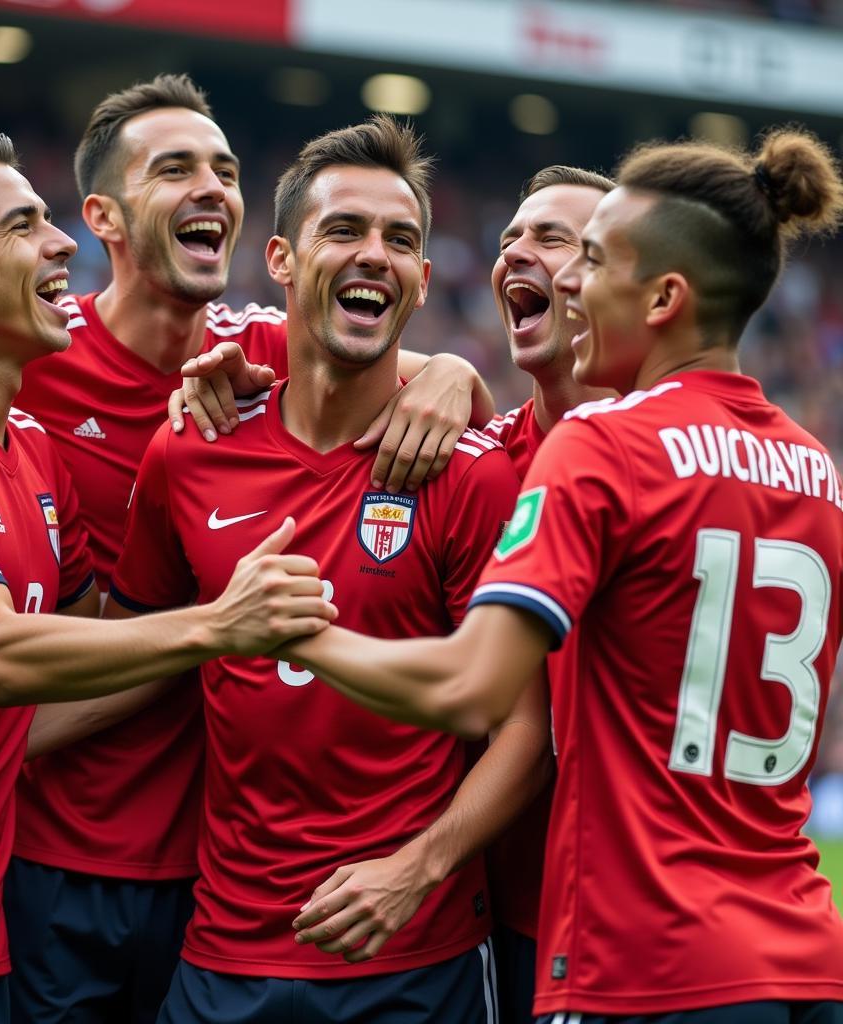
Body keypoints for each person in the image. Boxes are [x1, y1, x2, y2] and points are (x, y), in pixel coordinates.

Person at [0, 75, 496, 1024]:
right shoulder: (16, 365)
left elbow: (381, 345)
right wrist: (223, 626)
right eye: (174, 168)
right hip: (35, 863)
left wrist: (458, 373)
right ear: (103, 214)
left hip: (213, 890)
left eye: (224, 168)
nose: (212, 186)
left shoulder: (252, 347)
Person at [285, 128, 843, 1022]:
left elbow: (473, 685)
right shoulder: (817, 468)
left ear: (663, 296)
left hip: (646, 957)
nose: (570, 281)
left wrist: (289, 630)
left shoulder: (605, 447)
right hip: (803, 950)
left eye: (589, 259)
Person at [108, 114, 544, 1023]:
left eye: (400, 239)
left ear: (424, 281)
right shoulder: (188, 451)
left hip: (416, 958)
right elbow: (128, 657)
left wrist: (414, 869)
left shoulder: (468, 474)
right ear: (279, 259)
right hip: (221, 952)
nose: (373, 255)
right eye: (343, 230)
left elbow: (526, 726)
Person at [290, 164, 615, 1023]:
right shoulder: (479, 456)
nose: (515, 250)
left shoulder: (669, 461)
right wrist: (441, 364)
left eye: (553, 238)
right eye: (511, 235)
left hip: (638, 918)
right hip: (506, 911)